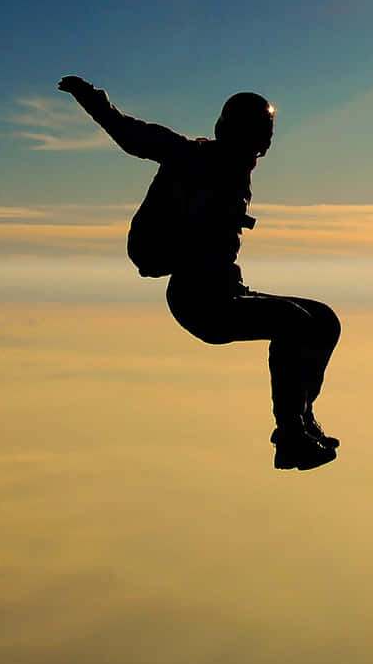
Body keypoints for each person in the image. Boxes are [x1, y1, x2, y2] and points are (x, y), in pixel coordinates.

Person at [58, 75, 342, 471]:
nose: (263, 144)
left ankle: (302, 422)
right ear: (233, 133)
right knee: (295, 323)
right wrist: (91, 98)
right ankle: (291, 435)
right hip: (199, 301)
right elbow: (133, 135)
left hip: (225, 291)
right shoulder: (193, 156)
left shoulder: (235, 168)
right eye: (259, 134)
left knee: (324, 319)